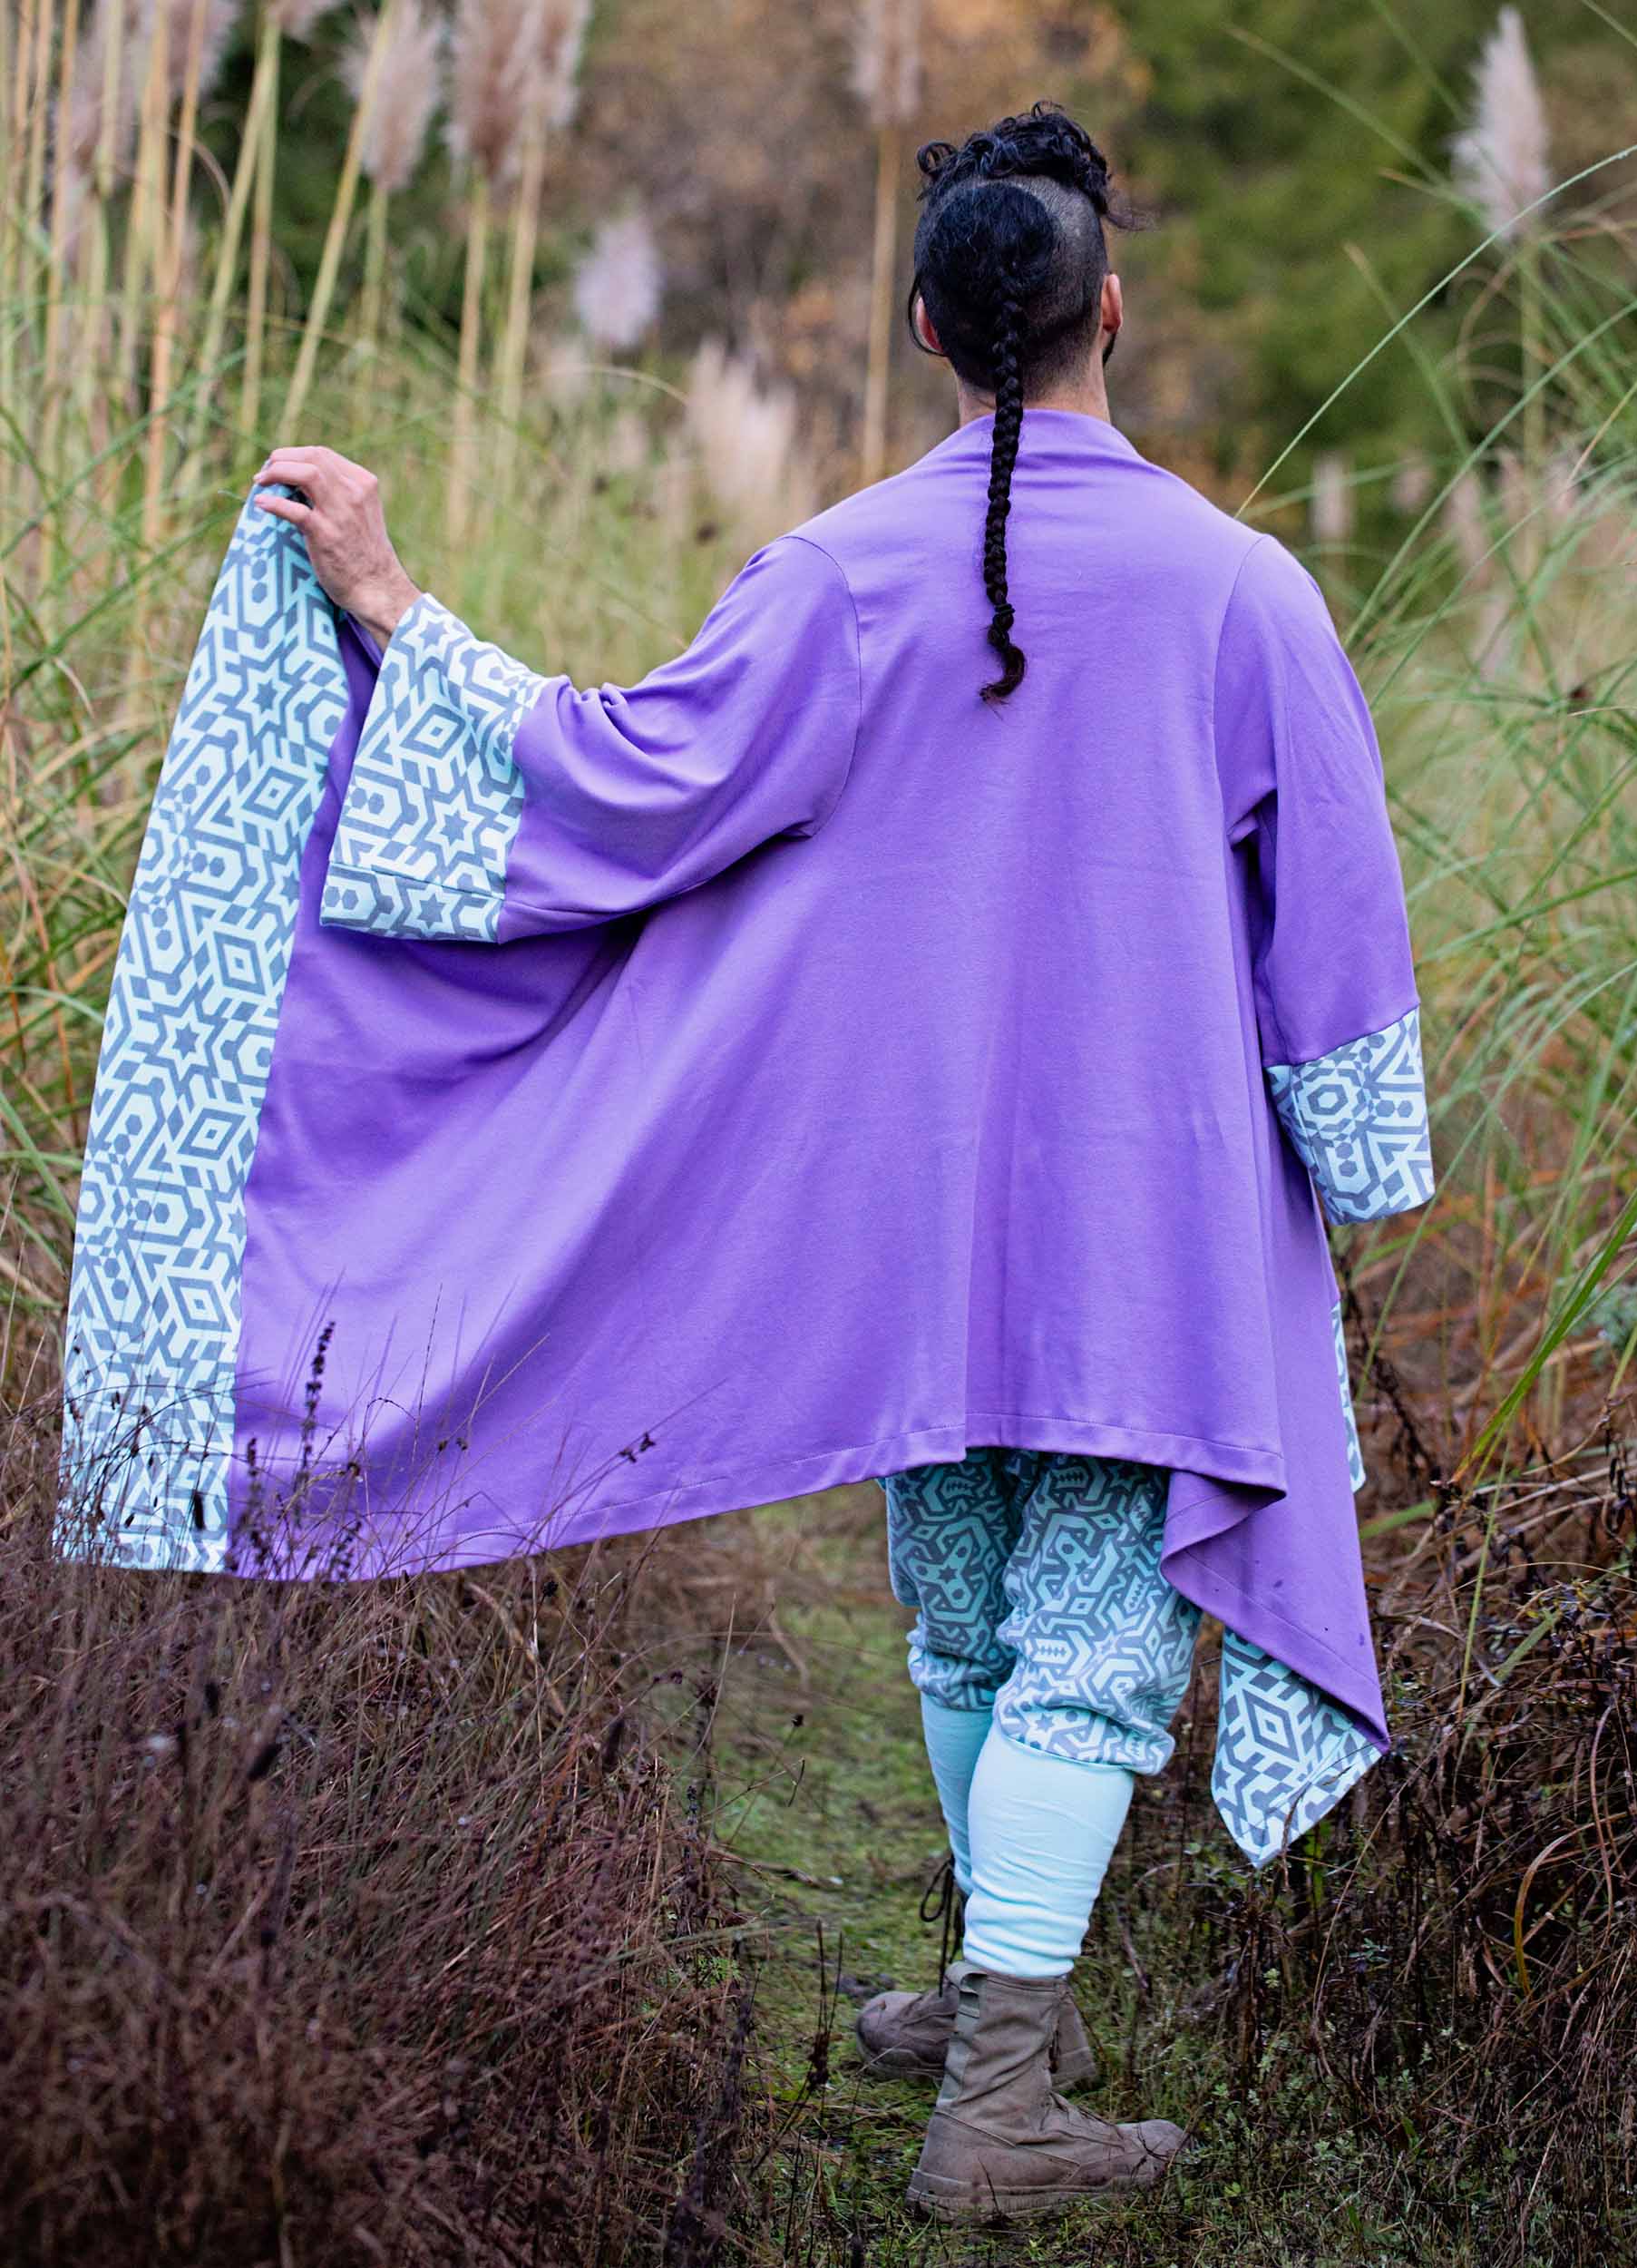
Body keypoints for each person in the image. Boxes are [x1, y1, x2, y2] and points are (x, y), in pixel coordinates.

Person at [70, 103, 1432, 2226]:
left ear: (921, 325)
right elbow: (1334, 942)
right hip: (1137, 1215)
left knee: (973, 1610)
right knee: (1084, 1630)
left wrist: (394, 609)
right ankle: (997, 2100)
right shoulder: (1243, 592)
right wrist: (1358, 1162)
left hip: (895, 1210)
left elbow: (622, 785)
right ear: (1110, 309)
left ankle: (1009, 1994)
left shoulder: (834, 578)